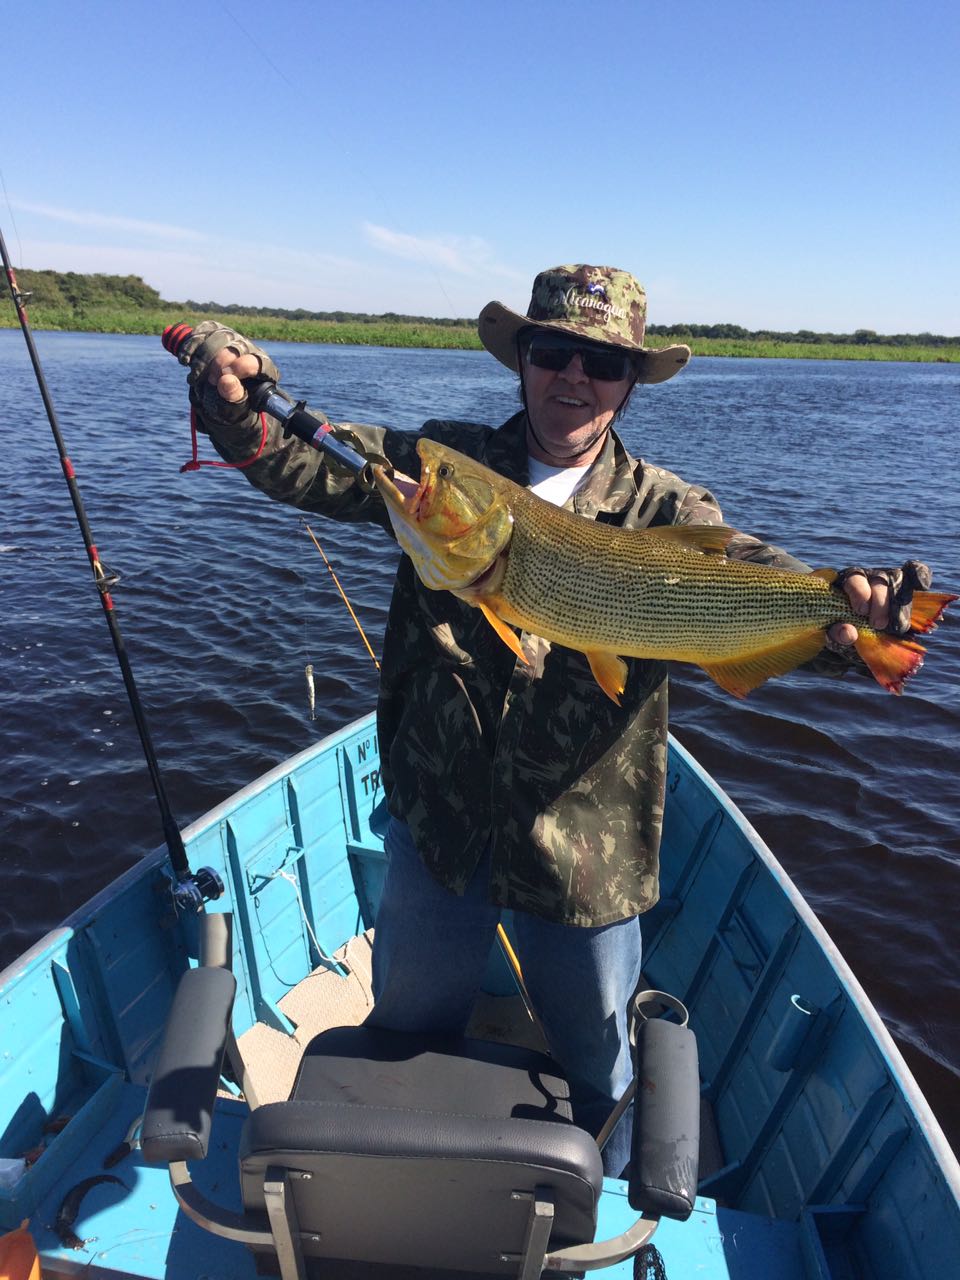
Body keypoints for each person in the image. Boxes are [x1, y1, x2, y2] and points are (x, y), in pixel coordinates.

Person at [177, 264, 928, 1176]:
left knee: (599, 1062)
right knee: (406, 1033)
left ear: (630, 381)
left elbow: (765, 589)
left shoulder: (670, 509)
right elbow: (306, 460)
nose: (575, 376)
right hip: (440, 823)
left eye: (603, 363)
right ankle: (399, 1181)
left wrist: (856, 617)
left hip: (587, 845)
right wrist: (228, 389)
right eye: (553, 352)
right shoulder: (442, 465)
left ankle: (603, 1204)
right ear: (523, 358)